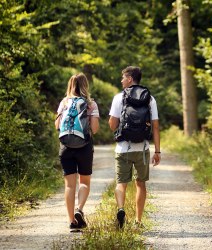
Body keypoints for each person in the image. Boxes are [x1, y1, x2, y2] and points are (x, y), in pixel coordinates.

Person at [108, 66, 161, 229]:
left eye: (123, 77)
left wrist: (115, 124)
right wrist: (157, 151)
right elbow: (156, 127)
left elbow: (112, 125)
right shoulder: (150, 99)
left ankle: (121, 209)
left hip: (123, 148)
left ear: (130, 78)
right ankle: (138, 221)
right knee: (140, 184)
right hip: (142, 149)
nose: (121, 80)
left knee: (121, 183)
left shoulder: (118, 97)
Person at [55, 73, 100, 231]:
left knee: (69, 185)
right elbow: (94, 129)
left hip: (66, 146)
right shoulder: (90, 104)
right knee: (84, 182)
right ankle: (79, 209)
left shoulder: (64, 102)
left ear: (70, 84)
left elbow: (57, 126)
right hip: (84, 147)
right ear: (85, 85)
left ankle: (72, 221)